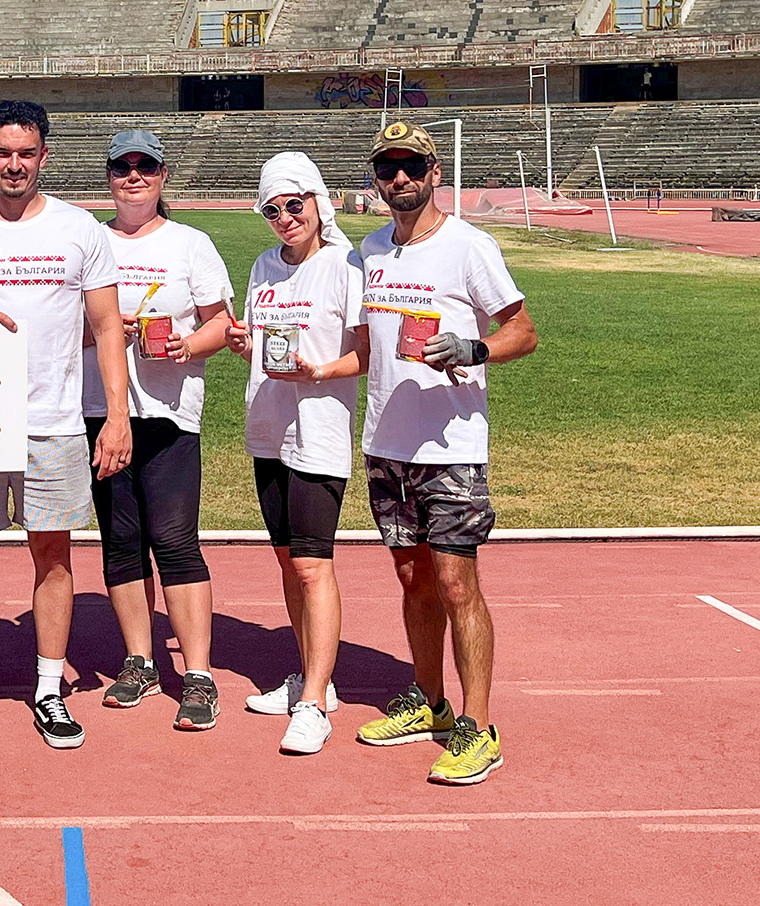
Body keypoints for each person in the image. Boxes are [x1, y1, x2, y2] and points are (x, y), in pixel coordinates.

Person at [0, 100, 133, 751]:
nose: (14, 165)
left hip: (55, 421)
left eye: (26, 153)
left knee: (54, 556)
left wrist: (117, 416)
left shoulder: (79, 229)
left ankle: (48, 690)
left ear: (44, 156)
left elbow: (107, 327)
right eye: (3, 153)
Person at [353, 120, 537, 785]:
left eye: (411, 165)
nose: (399, 177)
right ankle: (428, 701)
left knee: (459, 584)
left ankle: (478, 727)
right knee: (414, 580)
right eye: (387, 168)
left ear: (434, 173)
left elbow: (523, 330)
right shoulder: (370, 250)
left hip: (451, 446)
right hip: (387, 442)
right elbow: (363, 344)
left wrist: (474, 348)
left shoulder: (469, 246)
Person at [81, 130, 232, 731]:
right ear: (109, 177)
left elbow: (221, 324)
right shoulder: (89, 241)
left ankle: (198, 673)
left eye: (145, 166)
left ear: (163, 175)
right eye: (122, 167)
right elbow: (67, 324)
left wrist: (185, 347)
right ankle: (140, 661)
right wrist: (103, 328)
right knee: (121, 540)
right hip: (100, 411)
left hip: (169, 414)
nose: (134, 176)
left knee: (173, 539)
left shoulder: (190, 244)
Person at [225, 151, 366, 756]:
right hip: (269, 429)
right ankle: (312, 675)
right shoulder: (263, 266)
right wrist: (242, 344)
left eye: (294, 204)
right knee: (287, 562)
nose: (285, 218)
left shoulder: (345, 265)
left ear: (317, 201)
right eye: (272, 210)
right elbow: (259, 344)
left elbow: (367, 352)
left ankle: (313, 704)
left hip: (319, 433)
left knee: (313, 566)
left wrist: (320, 372)